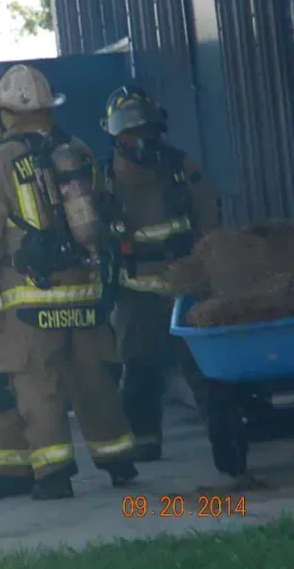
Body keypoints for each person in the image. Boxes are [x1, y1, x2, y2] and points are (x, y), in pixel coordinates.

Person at [0, 64, 138, 500]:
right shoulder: (77, 151)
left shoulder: (0, 160)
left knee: (38, 385)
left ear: (6, 114)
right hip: (83, 288)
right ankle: (118, 460)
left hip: (29, 297)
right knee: (93, 378)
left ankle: (54, 474)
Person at [100, 85, 219, 461]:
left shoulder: (180, 168)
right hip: (135, 294)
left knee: (204, 373)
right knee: (138, 372)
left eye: (145, 131)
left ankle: (227, 448)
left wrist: (205, 272)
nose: (139, 141)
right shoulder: (103, 177)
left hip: (185, 288)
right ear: (117, 136)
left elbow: (208, 218)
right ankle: (144, 445)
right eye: (130, 134)